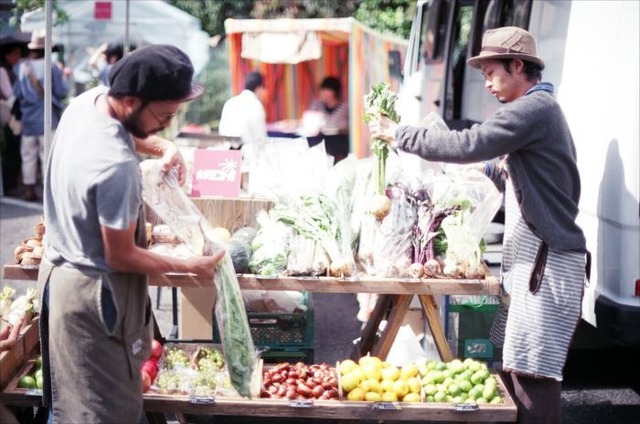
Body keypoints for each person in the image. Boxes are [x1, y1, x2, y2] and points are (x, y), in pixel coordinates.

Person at [369, 26, 588, 423]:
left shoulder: (534, 109)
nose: (486, 83)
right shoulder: (537, 111)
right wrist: (486, 169)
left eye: (491, 72)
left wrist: (398, 133)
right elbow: (512, 167)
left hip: (548, 264)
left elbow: (470, 142)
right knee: (515, 363)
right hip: (536, 262)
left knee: (534, 372)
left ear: (517, 65)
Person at [37, 44, 225, 423]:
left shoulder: (87, 104)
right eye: (165, 115)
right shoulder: (117, 167)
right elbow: (120, 255)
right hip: (94, 298)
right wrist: (190, 268)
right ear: (132, 101)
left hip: (59, 283)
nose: (168, 124)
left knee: (73, 404)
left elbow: (124, 133)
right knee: (101, 410)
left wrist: (161, 145)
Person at [13, 30, 69, 201]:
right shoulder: (50, 67)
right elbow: (61, 91)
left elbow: (17, 93)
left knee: (28, 155)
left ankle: (29, 189)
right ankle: (47, 192)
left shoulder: (22, 67)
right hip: (47, 118)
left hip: (28, 119)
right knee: (47, 156)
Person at [218, 71, 267, 166]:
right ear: (259, 88)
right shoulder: (256, 105)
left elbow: (222, 131)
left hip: (227, 157)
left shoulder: (230, 102)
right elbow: (261, 138)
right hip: (248, 158)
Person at [302, 76, 349, 162]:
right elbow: (310, 122)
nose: (323, 93)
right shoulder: (317, 105)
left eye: (327, 90)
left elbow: (346, 126)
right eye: (322, 90)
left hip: (339, 141)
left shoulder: (345, 107)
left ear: (334, 91)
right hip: (320, 139)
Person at [0, 41, 24, 196]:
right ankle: (9, 184)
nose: (17, 57)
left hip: (10, 113)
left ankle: (11, 183)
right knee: (11, 150)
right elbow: (9, 94)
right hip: (8, 114)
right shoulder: (3, 71)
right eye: (14, 54)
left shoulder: (10, 70)